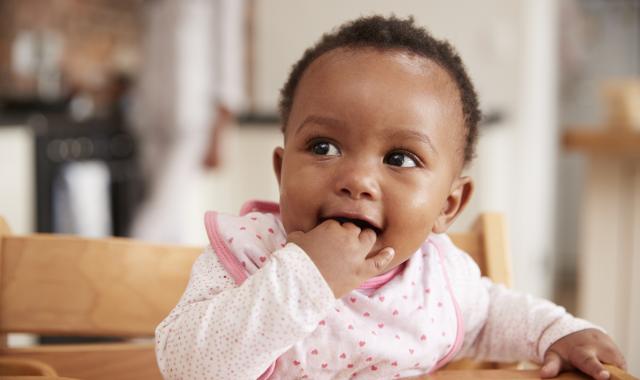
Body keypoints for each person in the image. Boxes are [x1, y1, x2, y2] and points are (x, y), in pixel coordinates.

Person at [154, 16, 626, 379]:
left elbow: (492, 319)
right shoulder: (248, 255)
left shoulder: (437, 280)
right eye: (324, 147)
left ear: (448, 206)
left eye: (400, 158)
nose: (357, 179)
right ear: (281, 171)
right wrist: (304, 276)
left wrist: (556, 332)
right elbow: (186, 365)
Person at [130, 0, 245, 244]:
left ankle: (121, 268)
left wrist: (220, 131)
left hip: (192, 115)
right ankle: (173, 279)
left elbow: (229, 49)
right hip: (151, 112)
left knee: (154, 219)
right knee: (178, 215)